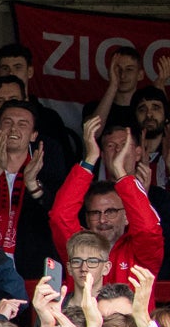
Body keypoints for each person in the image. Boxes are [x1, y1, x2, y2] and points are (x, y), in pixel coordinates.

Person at [51, 116, 162, 296]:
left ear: (127, 216)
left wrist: (120, 172)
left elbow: (149, 229)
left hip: (130, 324)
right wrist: (90, 158)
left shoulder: (140, 252)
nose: (103, 219)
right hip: (82, 323)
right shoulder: (78, 248)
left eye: (111, 211)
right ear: (86, 218)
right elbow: (60, 216)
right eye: (95, 213)